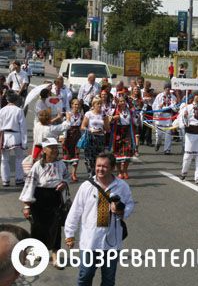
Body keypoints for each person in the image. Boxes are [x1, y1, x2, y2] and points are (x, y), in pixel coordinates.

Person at [64, 153, 134, 286]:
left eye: (104, 166)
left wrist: (121, 211)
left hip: (112, 242)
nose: (100, 169)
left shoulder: (122, 186)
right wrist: (70, 234)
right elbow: (75, 210)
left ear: (113, 168)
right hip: (91, 241)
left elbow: (130, 204)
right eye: (98, 166)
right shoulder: (87, 186)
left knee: (108, 280)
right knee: (85, 276)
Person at [19, 138, 69, 269]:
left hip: (55, 198)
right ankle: (37, 251)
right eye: (51, 147)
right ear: (44, 150)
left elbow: (66, 177)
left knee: (55, 228)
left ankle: (55, 257)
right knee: (38, 227)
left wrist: (64, 183)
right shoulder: (37, 166)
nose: (54, 150)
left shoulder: (61, 165)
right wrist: (27, 205)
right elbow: (30, 185)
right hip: (40, 198)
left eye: (55, 147)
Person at [179, 91, 198, 184]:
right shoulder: (187, 108)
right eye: (196, 95)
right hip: (190, 135)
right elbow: (181, 121)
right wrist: (184, 119)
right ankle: (184, 172)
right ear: (193, 96)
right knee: (188, 156)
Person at [0, 91, 27, 187]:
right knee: (19, 158)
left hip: (5, 136)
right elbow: (23, 127)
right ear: (16, 100)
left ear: (7, 99)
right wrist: (24, 142)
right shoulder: (19, 110)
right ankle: (19, 179)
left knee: (4, 159)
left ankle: (5, 180)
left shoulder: (2, 110)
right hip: (16, 135)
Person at [80, 97, 110, 178]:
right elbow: (82, 126)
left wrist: (106, 121)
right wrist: (90, 130)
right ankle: (91, 176)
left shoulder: (104, 114)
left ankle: (97, 175)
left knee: (99, 158)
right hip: (90, 138)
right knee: (89, 159)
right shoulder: (88, 114)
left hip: (100, 138)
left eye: (101, 103)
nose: (100, 105)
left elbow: (107, 129)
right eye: (98, 103)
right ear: (93, 105)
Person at [111, 96, 136, 180]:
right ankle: (119, 171)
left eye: (123, 101)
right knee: (118, 153)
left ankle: (125, 170)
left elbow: (135, 116)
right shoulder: (115, 111)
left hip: (127, 132)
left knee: (127, 152)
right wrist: (114, 118)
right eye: (120, 101)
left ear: (126, 102)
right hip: (118, 132)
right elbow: (109, 119)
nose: (122, 103)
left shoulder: (129, 111)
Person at [152, 83, 176, 155]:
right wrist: (159, 107)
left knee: (168, 134)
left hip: (168, 117)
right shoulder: (159, 96)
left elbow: (175, 108)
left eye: (169, 88)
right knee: (159, 135)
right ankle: (158, 142)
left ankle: (167, 149)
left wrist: (173, 106)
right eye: (166, 88)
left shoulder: (173, 97)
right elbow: (154, 106)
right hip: (160, 117)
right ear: (164, 88)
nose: (168, 89)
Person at [63, 98, 83, 182]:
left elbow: (82, 127)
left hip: (77, 136)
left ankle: (74, 174)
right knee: (67, 155)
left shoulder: (81, 115)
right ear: (71, 105)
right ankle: (66, 173)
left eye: (78, 104)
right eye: (75, 104)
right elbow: (64, 126)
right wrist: (63, 138)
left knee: (76, 155)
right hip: (68, 136)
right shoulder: (68, 114)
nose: (76, 106)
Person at [140, 81, 155, 146]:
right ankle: (142, 139)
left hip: (149, 108)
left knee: (149, 125)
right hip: (143, 108)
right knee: (143, 125)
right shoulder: (141, 91)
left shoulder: (151, 92)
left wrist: (150, 99)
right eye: (146, 86)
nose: (147, 87)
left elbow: (153, 100)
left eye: (148, 86)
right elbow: (140, 99)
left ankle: (149, 141)